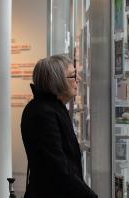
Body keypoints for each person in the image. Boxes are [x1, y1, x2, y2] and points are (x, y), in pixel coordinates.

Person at [21, 55, 97, 197]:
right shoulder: (43, 113)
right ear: (57, 80)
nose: (78, 80)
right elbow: (57, 168)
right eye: (73, 76)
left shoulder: (50, 108)